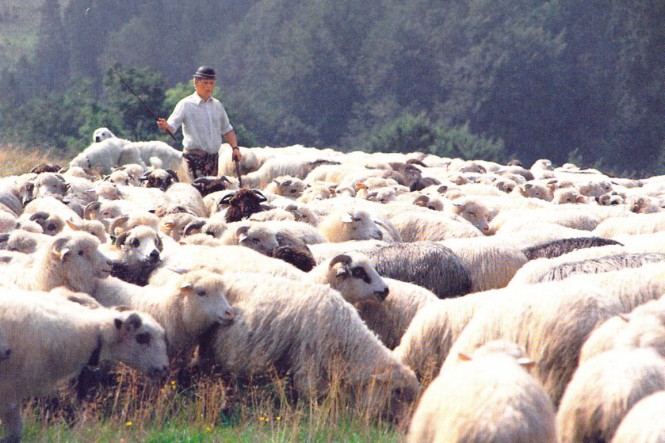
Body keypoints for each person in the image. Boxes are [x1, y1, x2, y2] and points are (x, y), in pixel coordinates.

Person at [157, 66, 241, 180]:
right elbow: (171, 127)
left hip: (213, 159)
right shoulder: (185, 104)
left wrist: (235, 148)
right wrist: (165, 126)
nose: (209, 87)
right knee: (198, 188)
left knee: (212, 190)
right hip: (193, 158)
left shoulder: (217, 105)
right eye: (205, 83)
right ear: (195, 83)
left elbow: (227, 129)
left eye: (212, 83)